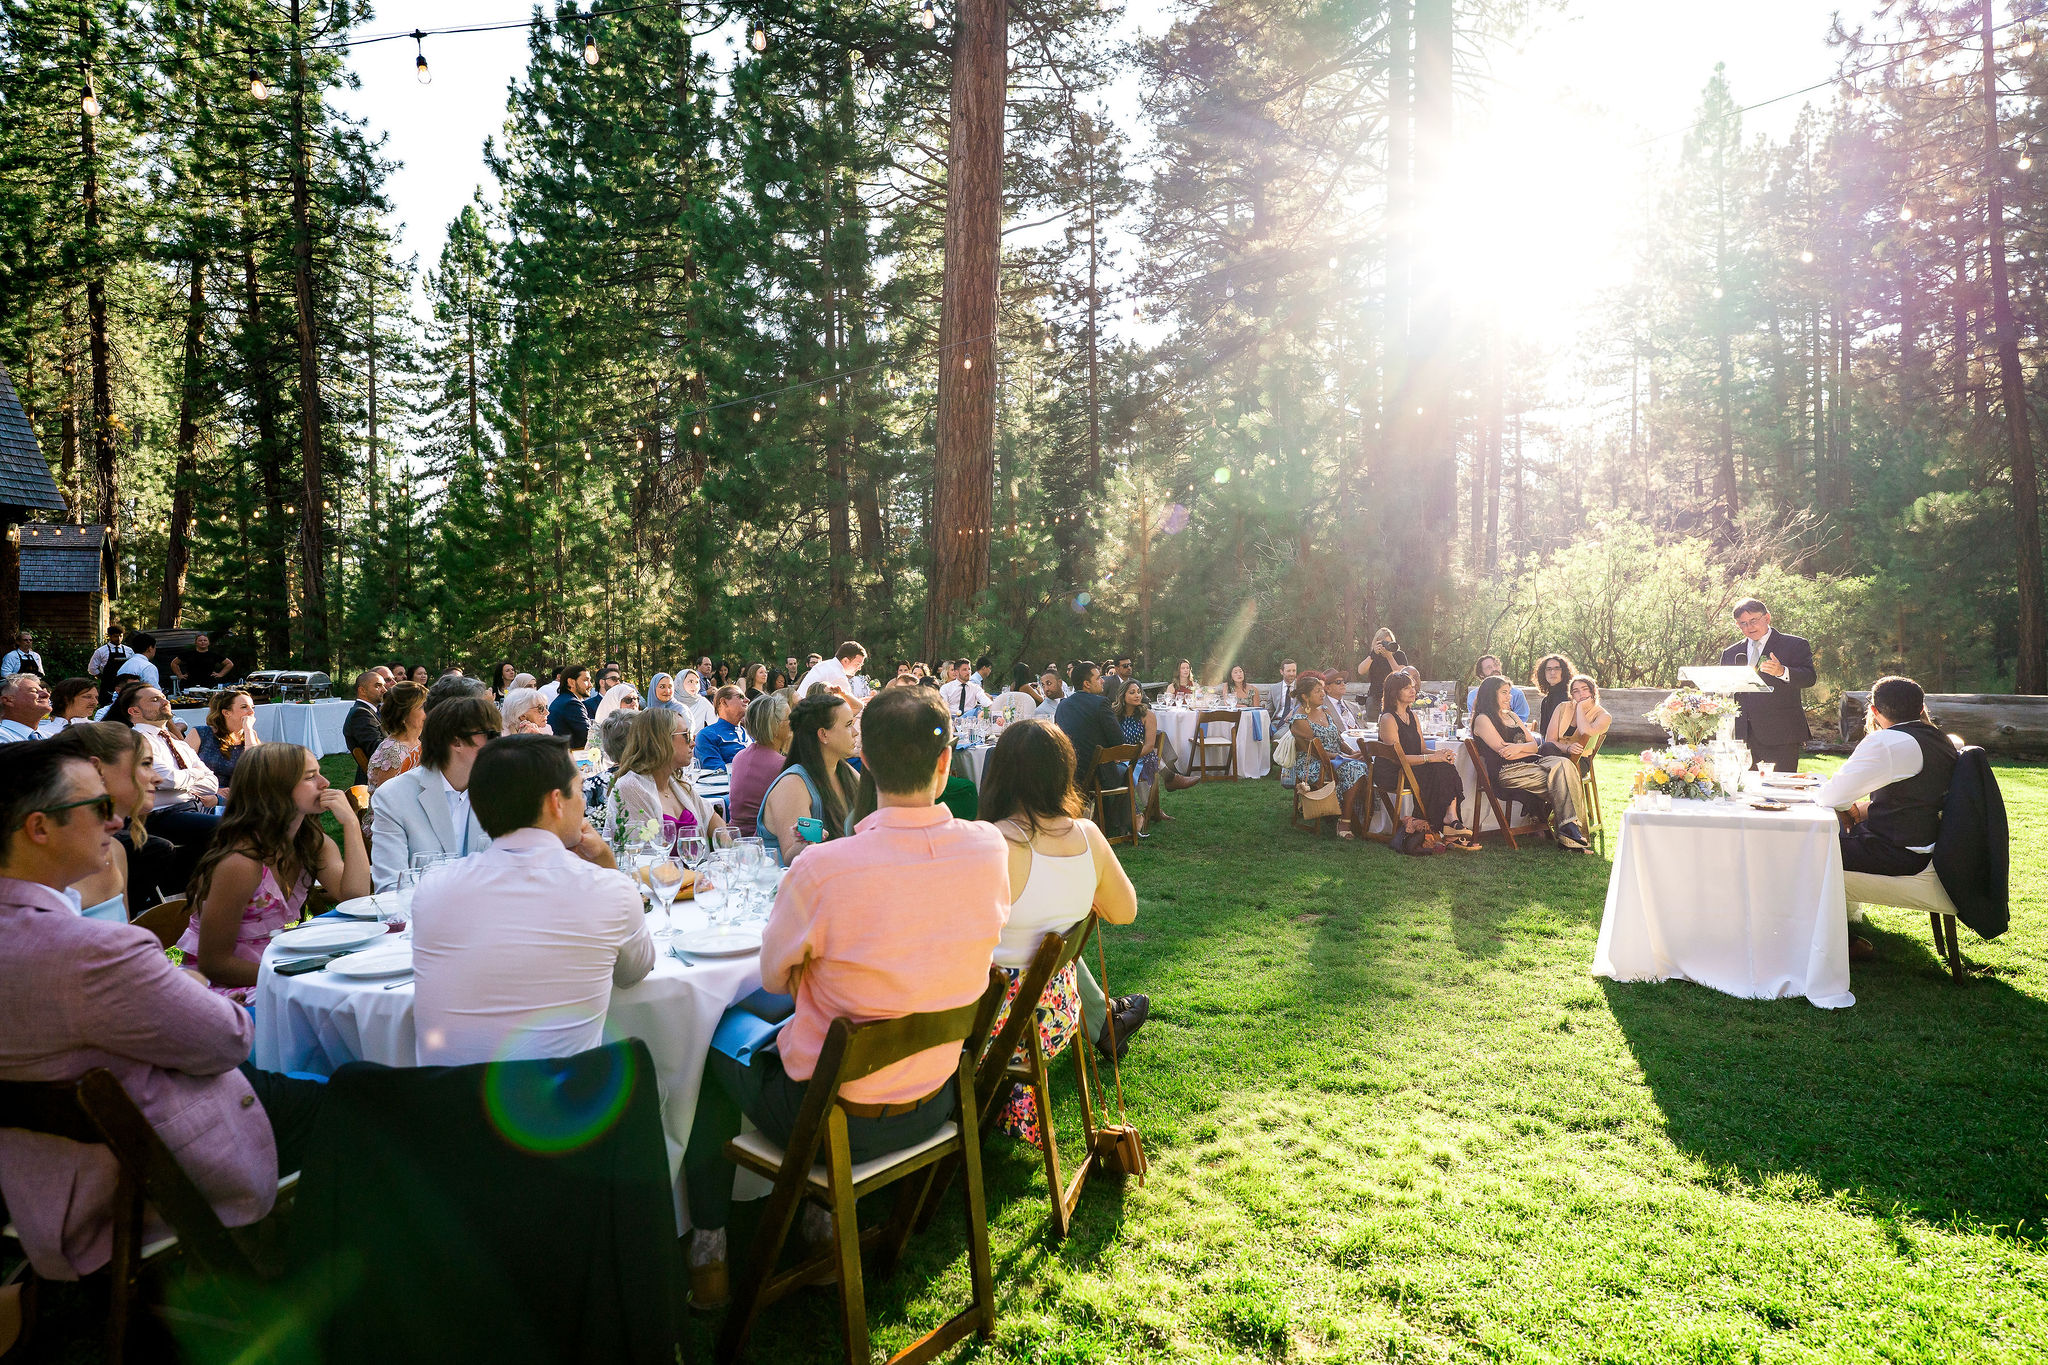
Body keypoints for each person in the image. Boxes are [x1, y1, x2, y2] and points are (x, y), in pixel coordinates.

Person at [680, 685, 1008, 1309]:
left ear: (868, 765)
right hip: (936, 1099)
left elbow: (775, 979)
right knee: (798, 1031)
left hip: (837, 1121)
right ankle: (819, 1227)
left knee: (712, 1038)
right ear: (945, 764)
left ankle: (710, 1247)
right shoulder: (989, 850)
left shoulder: (824, 869)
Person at [0, 741, 324, 1284]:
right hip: (142, 1183)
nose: (116, 821)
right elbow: (228, 1040)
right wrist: (188, 981)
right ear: (39, 828)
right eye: (100, 808)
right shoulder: (92, 952)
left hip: (38, 1185)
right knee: (356, 1097)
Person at [411, 734, 655, 1067]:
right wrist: (609, 867)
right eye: (580, 791)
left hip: (449, 1110)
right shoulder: (607, 889)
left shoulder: (431, 891)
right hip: (566, 1109)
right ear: (557, 802)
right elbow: (634, 972)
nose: (583, 803)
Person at [979, 720, 1143, 1139]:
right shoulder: (1087, 836)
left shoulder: (996, 843)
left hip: (995, 1027)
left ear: (1001, 772)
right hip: (1055, 1018)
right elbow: (1124, 911)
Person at [176, 744, 370, 1001]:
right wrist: (299, 975)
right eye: (310, 777)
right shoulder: (241, 863)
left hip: (275, 971)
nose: (325, 783)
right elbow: (214, 963)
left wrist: (351, 824)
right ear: (274, 789)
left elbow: (356, 897)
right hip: (224, 990)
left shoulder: (311, 843)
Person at [1817, 676, 1958, 879]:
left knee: (1802, 844)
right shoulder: (1939, 738)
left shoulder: (1887, 742)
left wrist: (1846, 806)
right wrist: (1854, 807)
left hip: (1895, 853)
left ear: (1874, 711)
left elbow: (1829, 797)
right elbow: (1913, 797)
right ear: (1921, 709)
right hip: (1925, 847)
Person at [367, 696, 501, 892]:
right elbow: (391, 886)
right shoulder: (393, 797)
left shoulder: (501, 790)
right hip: (423, 917)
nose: (500, 743)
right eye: (491, 735)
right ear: (456, 741)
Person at [43, 722, 154, 921]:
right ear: (97, 769)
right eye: (145, 764)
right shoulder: (46, 864)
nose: (157, 778)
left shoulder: (115, 849)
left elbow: (123, 941)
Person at [1471, 675, 1592, 853]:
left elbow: (1535, 745)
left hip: (1532, 765)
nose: (1509, 697)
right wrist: (1522, 749)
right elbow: (1505, 753)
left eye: (1509, 693)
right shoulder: (1483, 719)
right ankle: (1572, 833)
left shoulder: (1511, 715)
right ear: (1490, 695)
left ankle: (1569, 829)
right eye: (1504, 693)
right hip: (1508, 772)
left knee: (1565, 764)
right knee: (1564, 777)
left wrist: (1517, 748)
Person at [758, 691, 859, 865]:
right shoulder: (793, 785)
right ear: (823, 735)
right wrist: (805, 842)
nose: (855, 732)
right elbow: (794, 859)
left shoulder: (846, 772)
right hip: (792, 887)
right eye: (849, 724)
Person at [1719, 597, 1816, 773]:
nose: (1749, 627)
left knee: (1778, 793)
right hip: (1740, 737)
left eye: (1753, 621)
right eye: (1742, 624)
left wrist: (1782, 672)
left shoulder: (1794, 644)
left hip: (1780, 735)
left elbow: (1809, 678)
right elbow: (1724, 689)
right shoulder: (1731, 653)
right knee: (1741, 794)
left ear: (1767, 618)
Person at [605, 707, 726, 844]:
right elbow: (642, 854)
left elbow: (711, 818)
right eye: (686, 735)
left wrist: (730, 851)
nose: (693, 743)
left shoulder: (675, 782)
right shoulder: (630, 788)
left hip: (693, 864)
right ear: (661, 741)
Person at [1377, 671, 1474, 842]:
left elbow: (1421, 748)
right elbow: (1397, 758)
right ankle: (1443, 822)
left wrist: (1439, 754)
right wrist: (1431, 758)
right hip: (1393, 772)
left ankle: (1450, 817)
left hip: (1412, 767)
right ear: (1394, 692)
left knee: (1445, 765)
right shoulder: (1388, 719)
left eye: (1413, 687)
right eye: (1407, 688)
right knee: (1437, 770)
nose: (1413, 691)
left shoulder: (1412, 716)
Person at [1289, 675, 1368, 825]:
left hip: (1334, 759)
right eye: (1317, 691)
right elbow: (1315, 751)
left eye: (1322, 690)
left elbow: (1339, 738)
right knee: (1355, 768)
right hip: (1313, 764)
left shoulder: (1325, 711)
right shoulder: (1300, 720)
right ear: (1305, 696)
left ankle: (1361, 817)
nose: (1323, 694)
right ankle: (1345, 821)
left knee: (1366, 763)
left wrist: (1352, 753)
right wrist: (1344, 758)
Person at [1055, 660, 1127, 817]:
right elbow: (1118, 740)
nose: (1102, 681)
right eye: (1098, 678)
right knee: (1127, 771)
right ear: (1087, 684)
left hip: (1069, 775)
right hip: (1098, 776)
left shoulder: (1062, 706)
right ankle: (1124, 823)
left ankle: (1105, 817)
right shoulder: (1100, 703)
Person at [728, 691, 791, 838]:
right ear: (775, 726)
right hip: (763, 844)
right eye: (789, 718)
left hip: (735, 839)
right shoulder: (782, 765)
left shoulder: (740, 757)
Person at [195, 688, 262, 791]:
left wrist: (248, 730)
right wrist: (215, 790)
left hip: (238, 797)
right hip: (204, 793)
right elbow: (181, 768)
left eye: (252, 707)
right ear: (226, 713)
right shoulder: (201, 733)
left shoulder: (251, 737)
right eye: (244, 707)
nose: (251, 712)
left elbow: (255, 770)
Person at [367, 680, 428, 791]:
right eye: (422, 707)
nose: (429, 711)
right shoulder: (394, 751)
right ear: (403, 715)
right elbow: (385, 798)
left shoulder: (417, 742)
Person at [1544, 675, 1612, 771]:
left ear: (1593, 691)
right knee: (1546, 748)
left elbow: (1586, 732)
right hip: (1557, 754)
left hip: (1580, 760)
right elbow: (1550, 740)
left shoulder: (1604, 716)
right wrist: (1567, 748)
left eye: (1585, 689)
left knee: (1552, 770)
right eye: (1576, 691)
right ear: (1572, 695)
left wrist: (1580, 708)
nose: (1581, 694)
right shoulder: (1562, 707)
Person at [343, 669, 388, 786]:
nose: (384, 690)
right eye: (378, 686)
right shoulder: (361, 714)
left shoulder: (373, 711)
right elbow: (377, 749)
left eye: (384, 685)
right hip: (376, 781)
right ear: (362, 690)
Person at [795, 641, 868, 711]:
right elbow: (852, 706)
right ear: (845, 660)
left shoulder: (824, 665)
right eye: (857, 664)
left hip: (800, 710)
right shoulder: (838, 675)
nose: (859, 668)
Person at [692, 685, 750, 772]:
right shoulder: (707, 736)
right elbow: (717, 772)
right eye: (740, 697)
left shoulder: (748, 733)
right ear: (723, 702)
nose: (747, 700)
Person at [1357, 629, 1407, 717]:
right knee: (1373, 726)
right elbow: (1361, 671)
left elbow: (1402, 674)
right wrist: (1373, 654)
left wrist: (1389, 657)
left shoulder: (1399, 655)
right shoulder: (1373, 656)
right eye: (1384, 643)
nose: (1386, 646)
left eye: (1389, 642)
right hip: (1375, 697)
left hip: (1395, 697)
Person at [1466, 655, 1530, 723]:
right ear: (1481, 674)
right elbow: (1474, 721)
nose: (1494, 669)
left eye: (1496, 665)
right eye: (1489, 667)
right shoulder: (1473, 695)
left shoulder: (1517, 694)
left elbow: (1521, 722)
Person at [1529, 653, 1577, 737]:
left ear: (1564, 671)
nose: (1552, 672)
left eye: (1557, 668)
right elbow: (1543, 732)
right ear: (1543, 673)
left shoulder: (1569, 697)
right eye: (1548, 669)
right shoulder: (1546, 700)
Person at [170, 632, 234, 692]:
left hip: (209, 684)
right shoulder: (188, 654)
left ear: (208, 642)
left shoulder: (214, 655)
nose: (203, 642)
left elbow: (229, 664)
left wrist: (220, 674)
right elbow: (174, 663)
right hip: (190, 683)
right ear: (196, 643)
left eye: (205, 640)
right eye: (200, 640)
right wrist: (179, 675)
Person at [547, 665, 594, 746]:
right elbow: (588, 734)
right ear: (571, 682)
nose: (590, 685)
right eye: (586, 680)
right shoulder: (571, 704)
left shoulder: (564, 700)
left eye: (590, 680)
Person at [0, 673, 49, 742]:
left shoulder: (51, 738)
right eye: (34, 691)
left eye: (44, 691)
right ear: (8, 700)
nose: (47, 695)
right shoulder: (3, 738)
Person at [1267, 659, 1300, 726]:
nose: (1292, 674)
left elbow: (1305, 705)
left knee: (1278, 735)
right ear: (1281, 672)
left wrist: (1294, 711)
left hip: (1292, 722)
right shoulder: (1274, 688)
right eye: (1288, 671)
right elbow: (1269, 711)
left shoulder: (1301, 687)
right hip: (1276, 721)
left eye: (1294, 671)